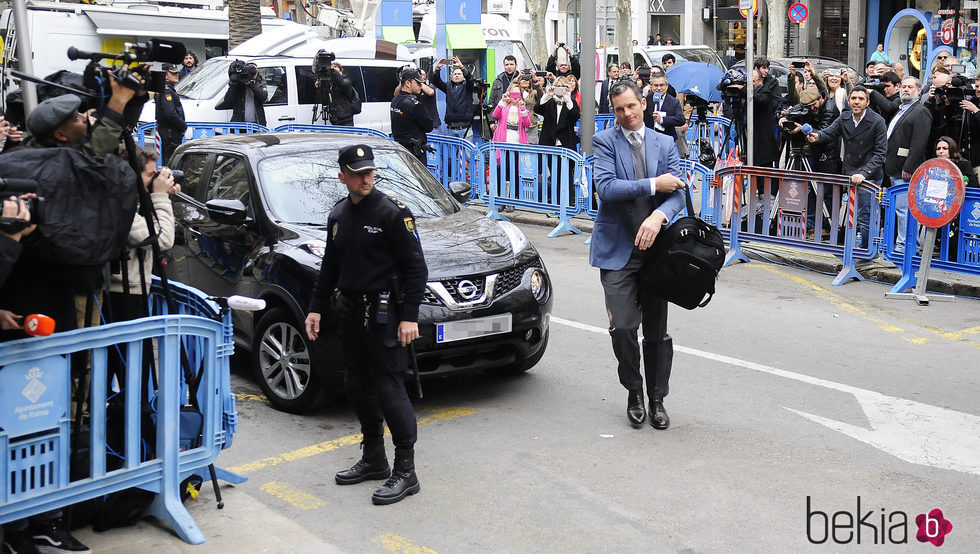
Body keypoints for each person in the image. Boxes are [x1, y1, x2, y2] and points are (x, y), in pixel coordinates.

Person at [305, 144, 428, 506]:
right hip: (351, 312)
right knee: (356, 385)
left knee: (389, 390)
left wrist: (409, 316)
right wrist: (315, 309)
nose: (366, 178)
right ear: (342, 175)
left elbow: (416, 268)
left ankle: (406, 470)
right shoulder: (339, 214)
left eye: (370, 172)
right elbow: (330, 265)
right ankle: (374, 457)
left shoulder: (393, 213)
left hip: (386, 314)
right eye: (358, 173)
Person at [590, 80, 686, 430]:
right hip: (617, 251)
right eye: (619, 109)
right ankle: (634, 391)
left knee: (657, 333)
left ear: (643, 104)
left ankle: (657, 399)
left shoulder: (664, 142)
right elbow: (606, 188)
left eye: (632, 106)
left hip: (657, 254)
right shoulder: (604, 141)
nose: (627, 114)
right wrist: (652, 185)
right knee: (623, 328)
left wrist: (660, 214)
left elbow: (678, 193)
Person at [807, 86, 888, 250]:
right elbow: (829, 132)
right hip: (850, 173)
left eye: (861, 99)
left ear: (868, 102)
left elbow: (880, 154)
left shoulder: (877, 121)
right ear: (849, 100)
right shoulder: (844, 117)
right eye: (853, 98)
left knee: (865, 215)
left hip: (869, 175)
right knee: (851, 214)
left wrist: (864, 173)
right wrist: (817, 136)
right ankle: (852, 249)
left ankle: (867, 251)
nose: (856, 102)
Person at [884, 77, 932, 253]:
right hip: (894, 167)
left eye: (910, 87)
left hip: (905, 170)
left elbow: (919, 142)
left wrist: (909, 167)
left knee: (904, 210)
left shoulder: (920, 111)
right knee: (900, 209)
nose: (906, 89)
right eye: (903, 86)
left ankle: (905, 245)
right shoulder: (901, 110)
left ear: (919, 91)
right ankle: (910, 244)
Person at [390, 68, 434, 164]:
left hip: (401, 149)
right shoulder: (413, 104)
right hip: (414, 153)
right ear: (407, 83)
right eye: (418, 83)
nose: (420, 85)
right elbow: (429, 126)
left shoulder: (395, 100)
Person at [432, 56, 476, 138]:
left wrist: (461, 67)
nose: (456, 75)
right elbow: (436, 82)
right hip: (451, 128)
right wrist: (437, 68)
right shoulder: (448, 86)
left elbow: (470, 79)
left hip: (465, 128)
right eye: (455, 74)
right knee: (451, 150)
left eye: (459, 74)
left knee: (467, 151)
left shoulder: (467, 86)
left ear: (463, 77)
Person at [216, 61, 267, 126]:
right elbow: (228, 100)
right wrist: (233, 85)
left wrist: (250, 84)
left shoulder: (258, 84)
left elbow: (263, 96)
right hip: (239, 126)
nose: (254, 74)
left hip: (257, 125)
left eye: (255, 72)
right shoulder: (238, 87)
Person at [535, 77, 580, 150]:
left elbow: (575, 116)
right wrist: (547, 95)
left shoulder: (570, 102)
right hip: (548, 141)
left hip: (566, 142)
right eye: (558, 86)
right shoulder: (549, 101)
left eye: (563, 86)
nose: (560, 89)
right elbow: (537, 109)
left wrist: (568, 99)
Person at [752, 58, 780, 168]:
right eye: (764, 68)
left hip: (767, 122)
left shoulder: (772, 83)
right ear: (756, 69)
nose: (766, 71)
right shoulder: (751, 81)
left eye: (767, 68)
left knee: (766, 158)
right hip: (753, 123)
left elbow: (774, 100)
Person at [156, 63, 186, 164]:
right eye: (173, 73)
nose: (176, 74)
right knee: (172, 163)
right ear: (165, 75)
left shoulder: (168, 89)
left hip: (171, 131)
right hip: (170, 132)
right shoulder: (166, 91)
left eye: (177, 72)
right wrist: (183, 125)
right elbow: (170, 113)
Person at [643, 72, 684, 141]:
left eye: (662, 85)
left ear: (667, 85)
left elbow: (681, 119)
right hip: (648, 139)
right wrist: (643, 96)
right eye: (656, 85)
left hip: (667, 139)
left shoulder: (674, 102)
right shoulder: (646, 99)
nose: (659, 88)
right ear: (651, 85)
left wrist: (662, 119)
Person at [317, 61, 358, 126]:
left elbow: (341, 83)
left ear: (341, 70)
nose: (333, 68)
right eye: (332, 67)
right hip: (335, 120)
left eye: (335, 66)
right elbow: (325, 99)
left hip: (346, 121)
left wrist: (332, 70)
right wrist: (320, 85)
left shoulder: (346, 80)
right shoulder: (332, 84)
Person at [488, 55, 521, 134]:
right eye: (507, 65)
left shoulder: (521, 79)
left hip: (517, 118)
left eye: (511, 64)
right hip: (501, 117)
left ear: (516, 65)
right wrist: (491, 121)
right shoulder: (498, 80)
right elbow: (492, 101)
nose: (509, 67)